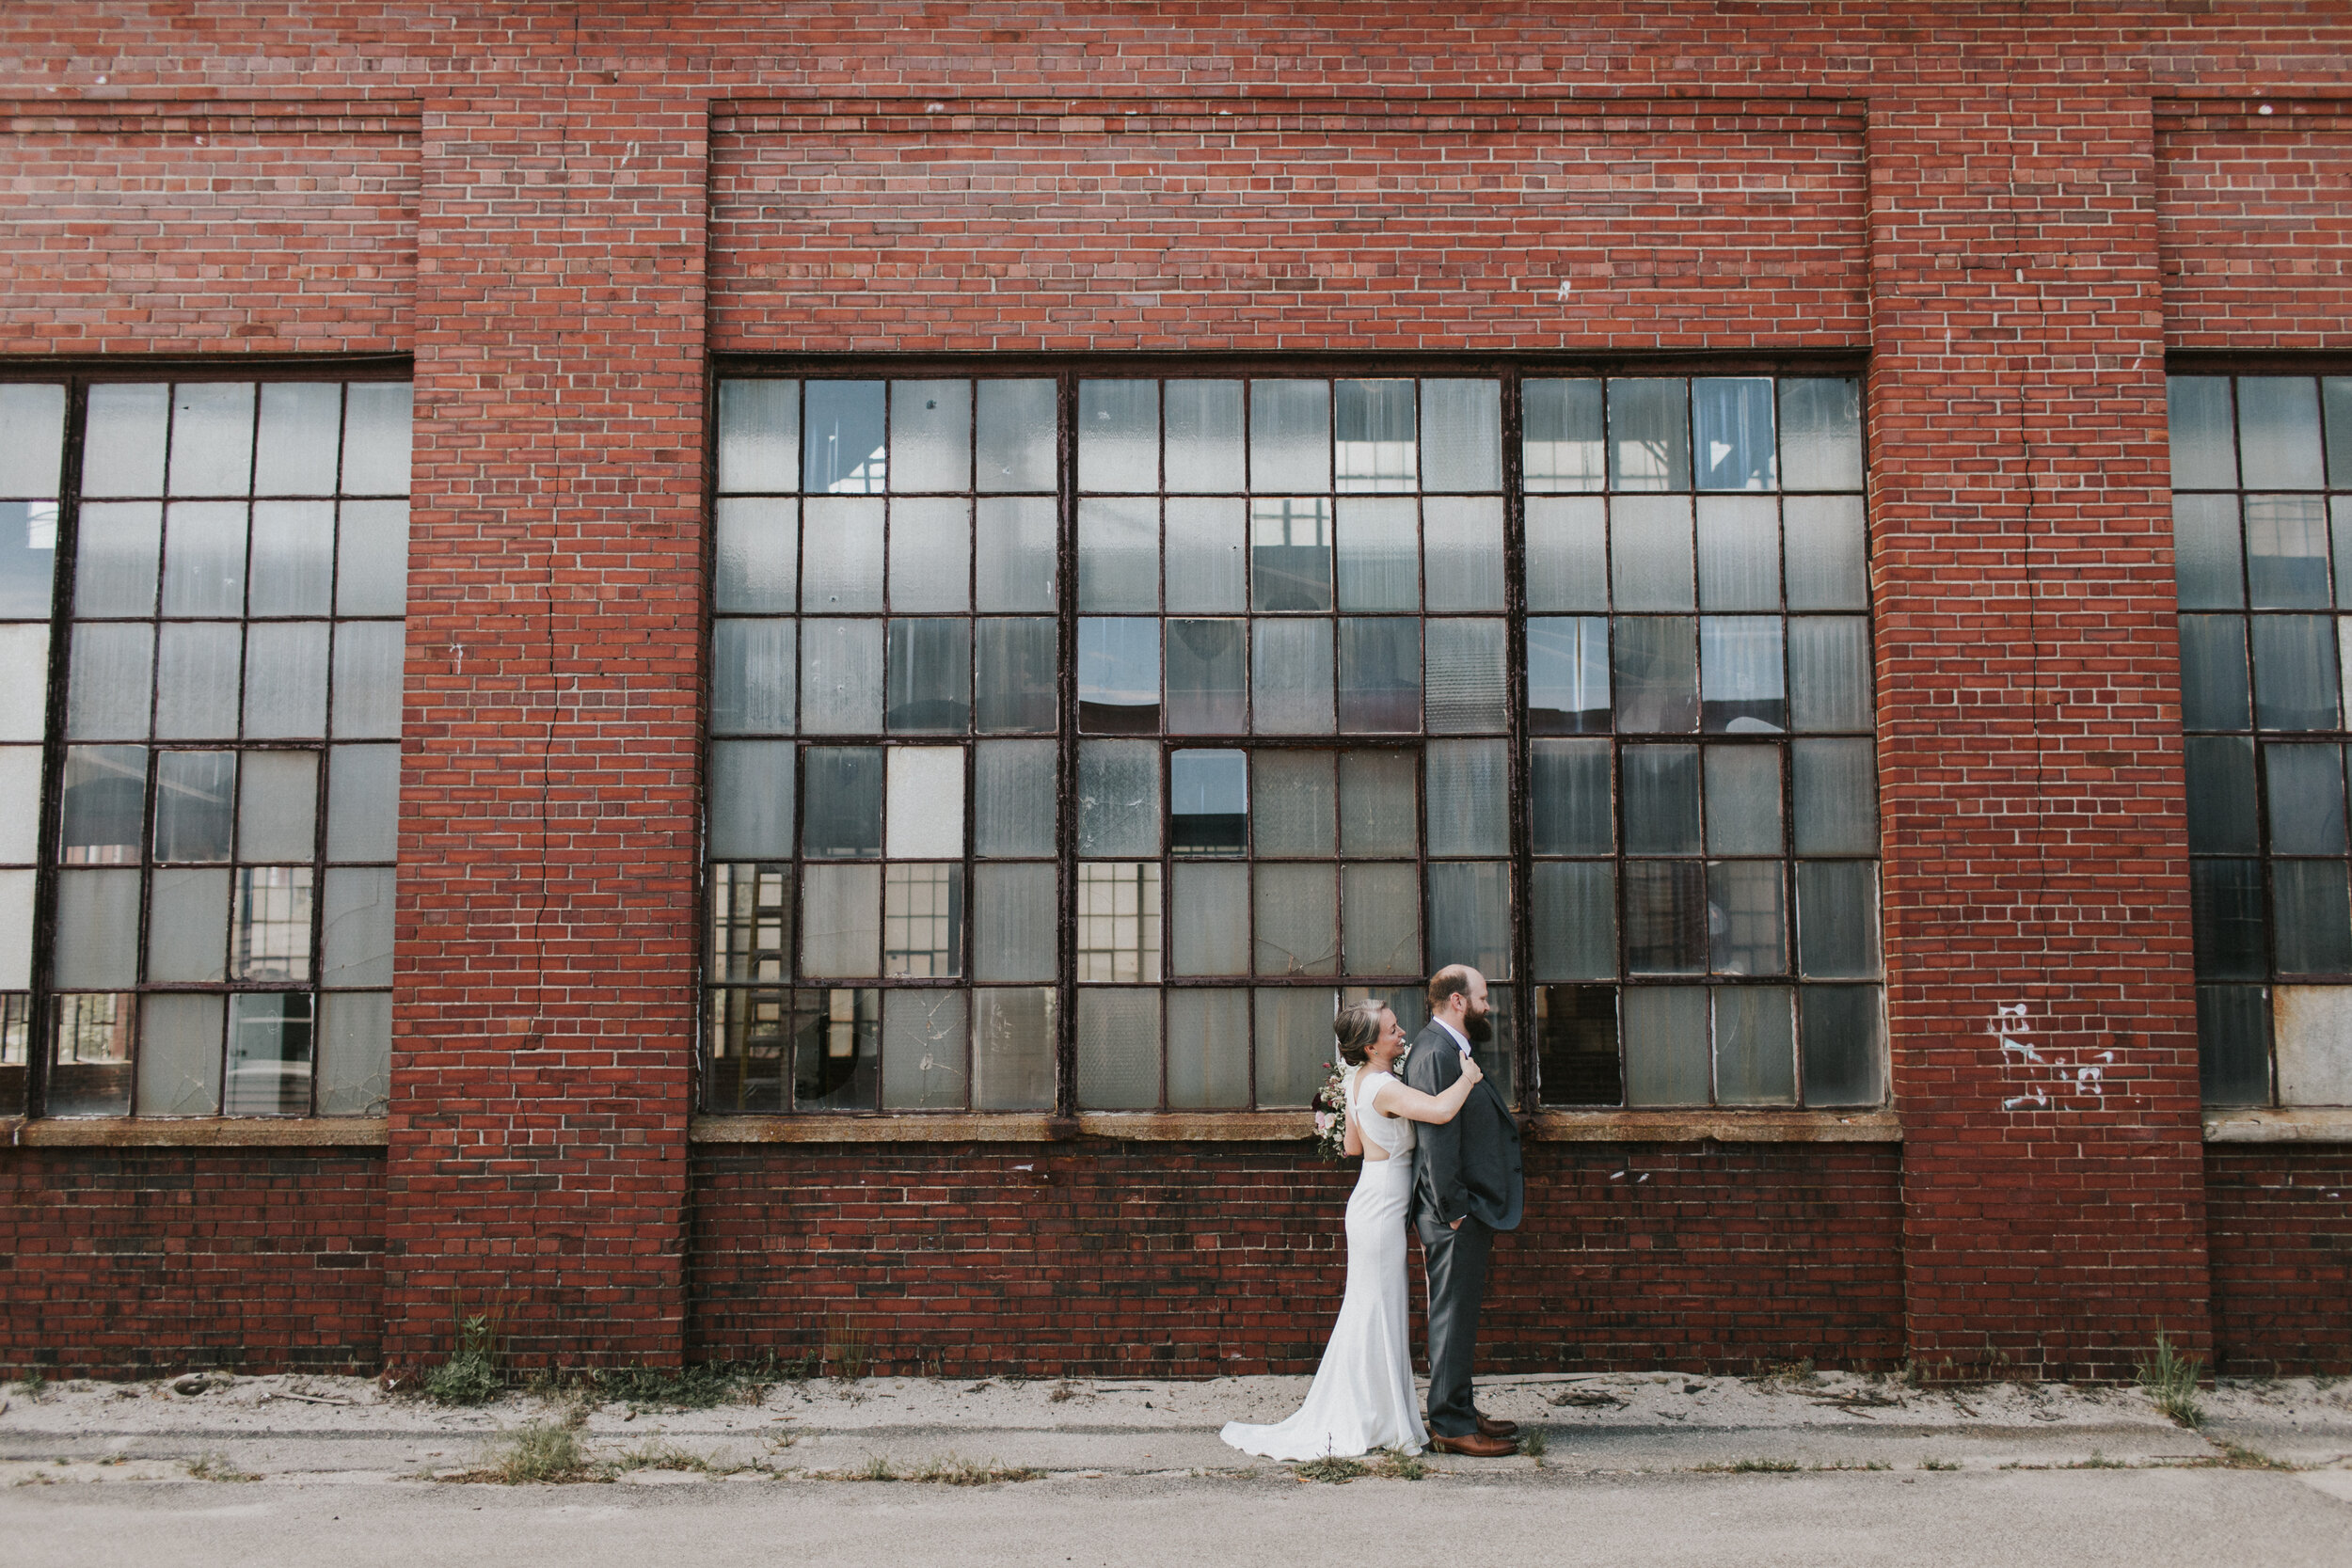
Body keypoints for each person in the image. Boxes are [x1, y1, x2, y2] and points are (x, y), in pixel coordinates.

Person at [1220, 999, 1484, 1460]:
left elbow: (1351, 1146)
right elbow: (1441, 1112)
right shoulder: (1382, 1087)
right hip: (1380, 1210)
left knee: (1371, 1309)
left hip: (1369, 1201)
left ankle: (1376, 1411)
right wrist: (1467, 1077)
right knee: (1377, 1311)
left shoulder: (1359, 1081)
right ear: (1369, 1045)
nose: (1402, 1033)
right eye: (1392, 1029)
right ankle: (1374, 1417)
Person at [1403, 963, 1525, 1457]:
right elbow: (1436, 1139)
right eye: (1482, 996)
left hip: (1463, 1209)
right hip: (1453, 1212)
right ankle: (1450, 1424)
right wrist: (1454, 1210)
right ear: (1458, 1001)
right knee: (1452, 1317)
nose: (1488, 1004)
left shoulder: (1450, 1047)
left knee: (1461, 1315)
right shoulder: (1436, 1052)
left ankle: (1460, 1406)